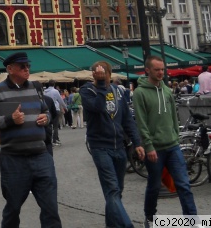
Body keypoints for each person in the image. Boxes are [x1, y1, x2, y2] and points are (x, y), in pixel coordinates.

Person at [0, 52, 60, 228]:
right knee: (13, 208)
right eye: (22, 66)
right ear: (10, 69)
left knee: (51, 208)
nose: (27, 69)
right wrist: (10, 120)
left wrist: (45, 118)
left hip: (41, 156)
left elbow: (47, 111)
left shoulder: (35, 87)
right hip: (14, 160)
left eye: (28, 66)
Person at [135, 56, 198, 227]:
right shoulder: (140, 93)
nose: (161, 72)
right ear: (148, 70)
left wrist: (175, 136)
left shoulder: (167, 91)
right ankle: (150, 217)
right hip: (154, 149)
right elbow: (141, 122)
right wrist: (148, 146)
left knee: (184, 185)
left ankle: (192, 221)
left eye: (162, 69)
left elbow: (173, 116)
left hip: (172, 146)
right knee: (154, 186)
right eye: (157, 69)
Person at [82, 61, 144, 228]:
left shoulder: (118, 91)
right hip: (100, 147)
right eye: (98, 75)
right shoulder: (88, 91)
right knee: (112, 190)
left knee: (117, 191)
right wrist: (101, 85)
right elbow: (97, 107)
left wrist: (137, 142)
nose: (103, 78)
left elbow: (126, 120)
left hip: (119, 147)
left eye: (105, 75)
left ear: (109, 74)